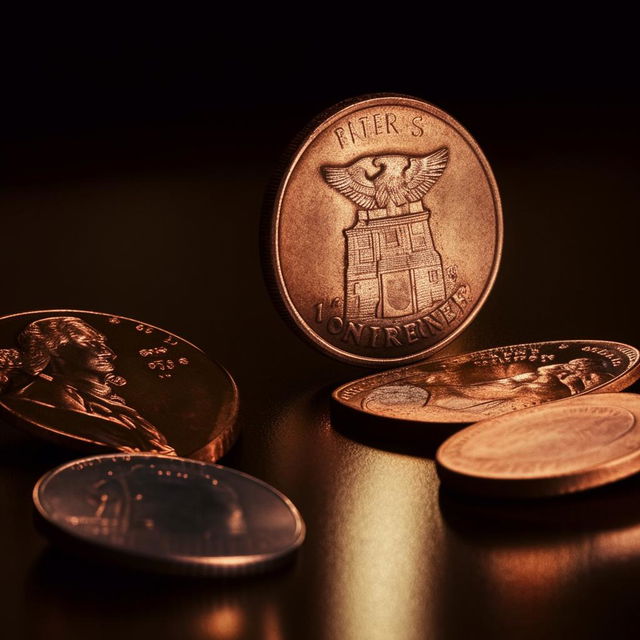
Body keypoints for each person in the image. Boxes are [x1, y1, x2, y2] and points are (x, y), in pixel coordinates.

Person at [0, 316, 176, 455]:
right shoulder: (36, 401)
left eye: (102, 344)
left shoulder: (113, 407)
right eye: (91, 344)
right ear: (55, 349)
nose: (109, 353)